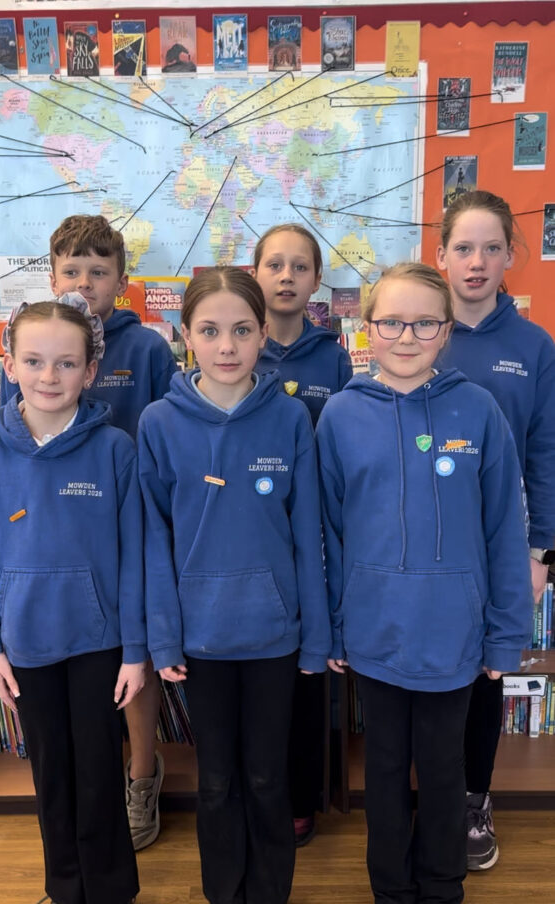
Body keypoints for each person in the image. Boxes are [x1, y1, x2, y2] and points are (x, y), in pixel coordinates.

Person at [316, 263, 532, 904]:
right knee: (383, 775)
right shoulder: (341, 415)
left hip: (454, 638)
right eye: (391, 322)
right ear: (366, 328)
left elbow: (504, 532)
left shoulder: (480, 411)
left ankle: (442, 899)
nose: (406, 336)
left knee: (442, 775)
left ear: (445, 332)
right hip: (375, 633)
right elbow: (327, 534)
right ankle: (390, 897)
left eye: (424, 323)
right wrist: (334, 626)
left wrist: (505, 636)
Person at [138, 268, 330, 904]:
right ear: (185, 335)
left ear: (262, 334)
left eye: (242, 330)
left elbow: (308, 534)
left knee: (268, 777)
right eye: (211, 330)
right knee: (216, 779)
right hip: (200, 640)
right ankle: (224, 903)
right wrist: (164, 637)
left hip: (275, 636)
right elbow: (152, 541)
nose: (227, 346)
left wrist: (316, 638)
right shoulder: (159, 424)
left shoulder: (289, 418)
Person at [0, 294, 147, 904]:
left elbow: (134, 556)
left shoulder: (115, 450)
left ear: (90, 371)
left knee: (98, 773)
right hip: (24, 646)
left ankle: (110, 898)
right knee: (54, 776)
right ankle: (66, 896)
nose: (49, 375)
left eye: (66, 363)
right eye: (34, 361)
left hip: (99, 643)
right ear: (8, 364)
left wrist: (135, 649)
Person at [1, 214, 178, 852]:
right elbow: (13, 440)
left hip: (134, 520)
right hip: (65, 532)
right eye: (72, 271)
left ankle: (141, 774)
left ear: (122, 281)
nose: (84, 282)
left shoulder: (149, 348)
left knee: (136, 657)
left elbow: (172, 427)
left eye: (98, 272)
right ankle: (84, 796)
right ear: (52, 277)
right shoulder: (37, 344)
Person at [436, 190, 555, 871]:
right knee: (427, 675)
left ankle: (473, 798)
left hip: (499, 547)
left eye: (491, 248)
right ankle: (431, 796)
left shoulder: (533, 347)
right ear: (441, 256)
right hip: (422, 544)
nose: (476, 262)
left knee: (485, 676)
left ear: (511, 255)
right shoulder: (418, 331)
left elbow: (546, 453)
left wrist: (541, 552)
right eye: (463, 248)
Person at [253, 222, 352, 847]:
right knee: (261, 674)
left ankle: (301, 796)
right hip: (257, 532)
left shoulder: (333, 356)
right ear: (255, 274)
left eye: (299, 266)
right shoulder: (237, 346)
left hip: (314, 535)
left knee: (308, 670)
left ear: (316, 281)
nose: (286, 276)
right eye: (274, 264)